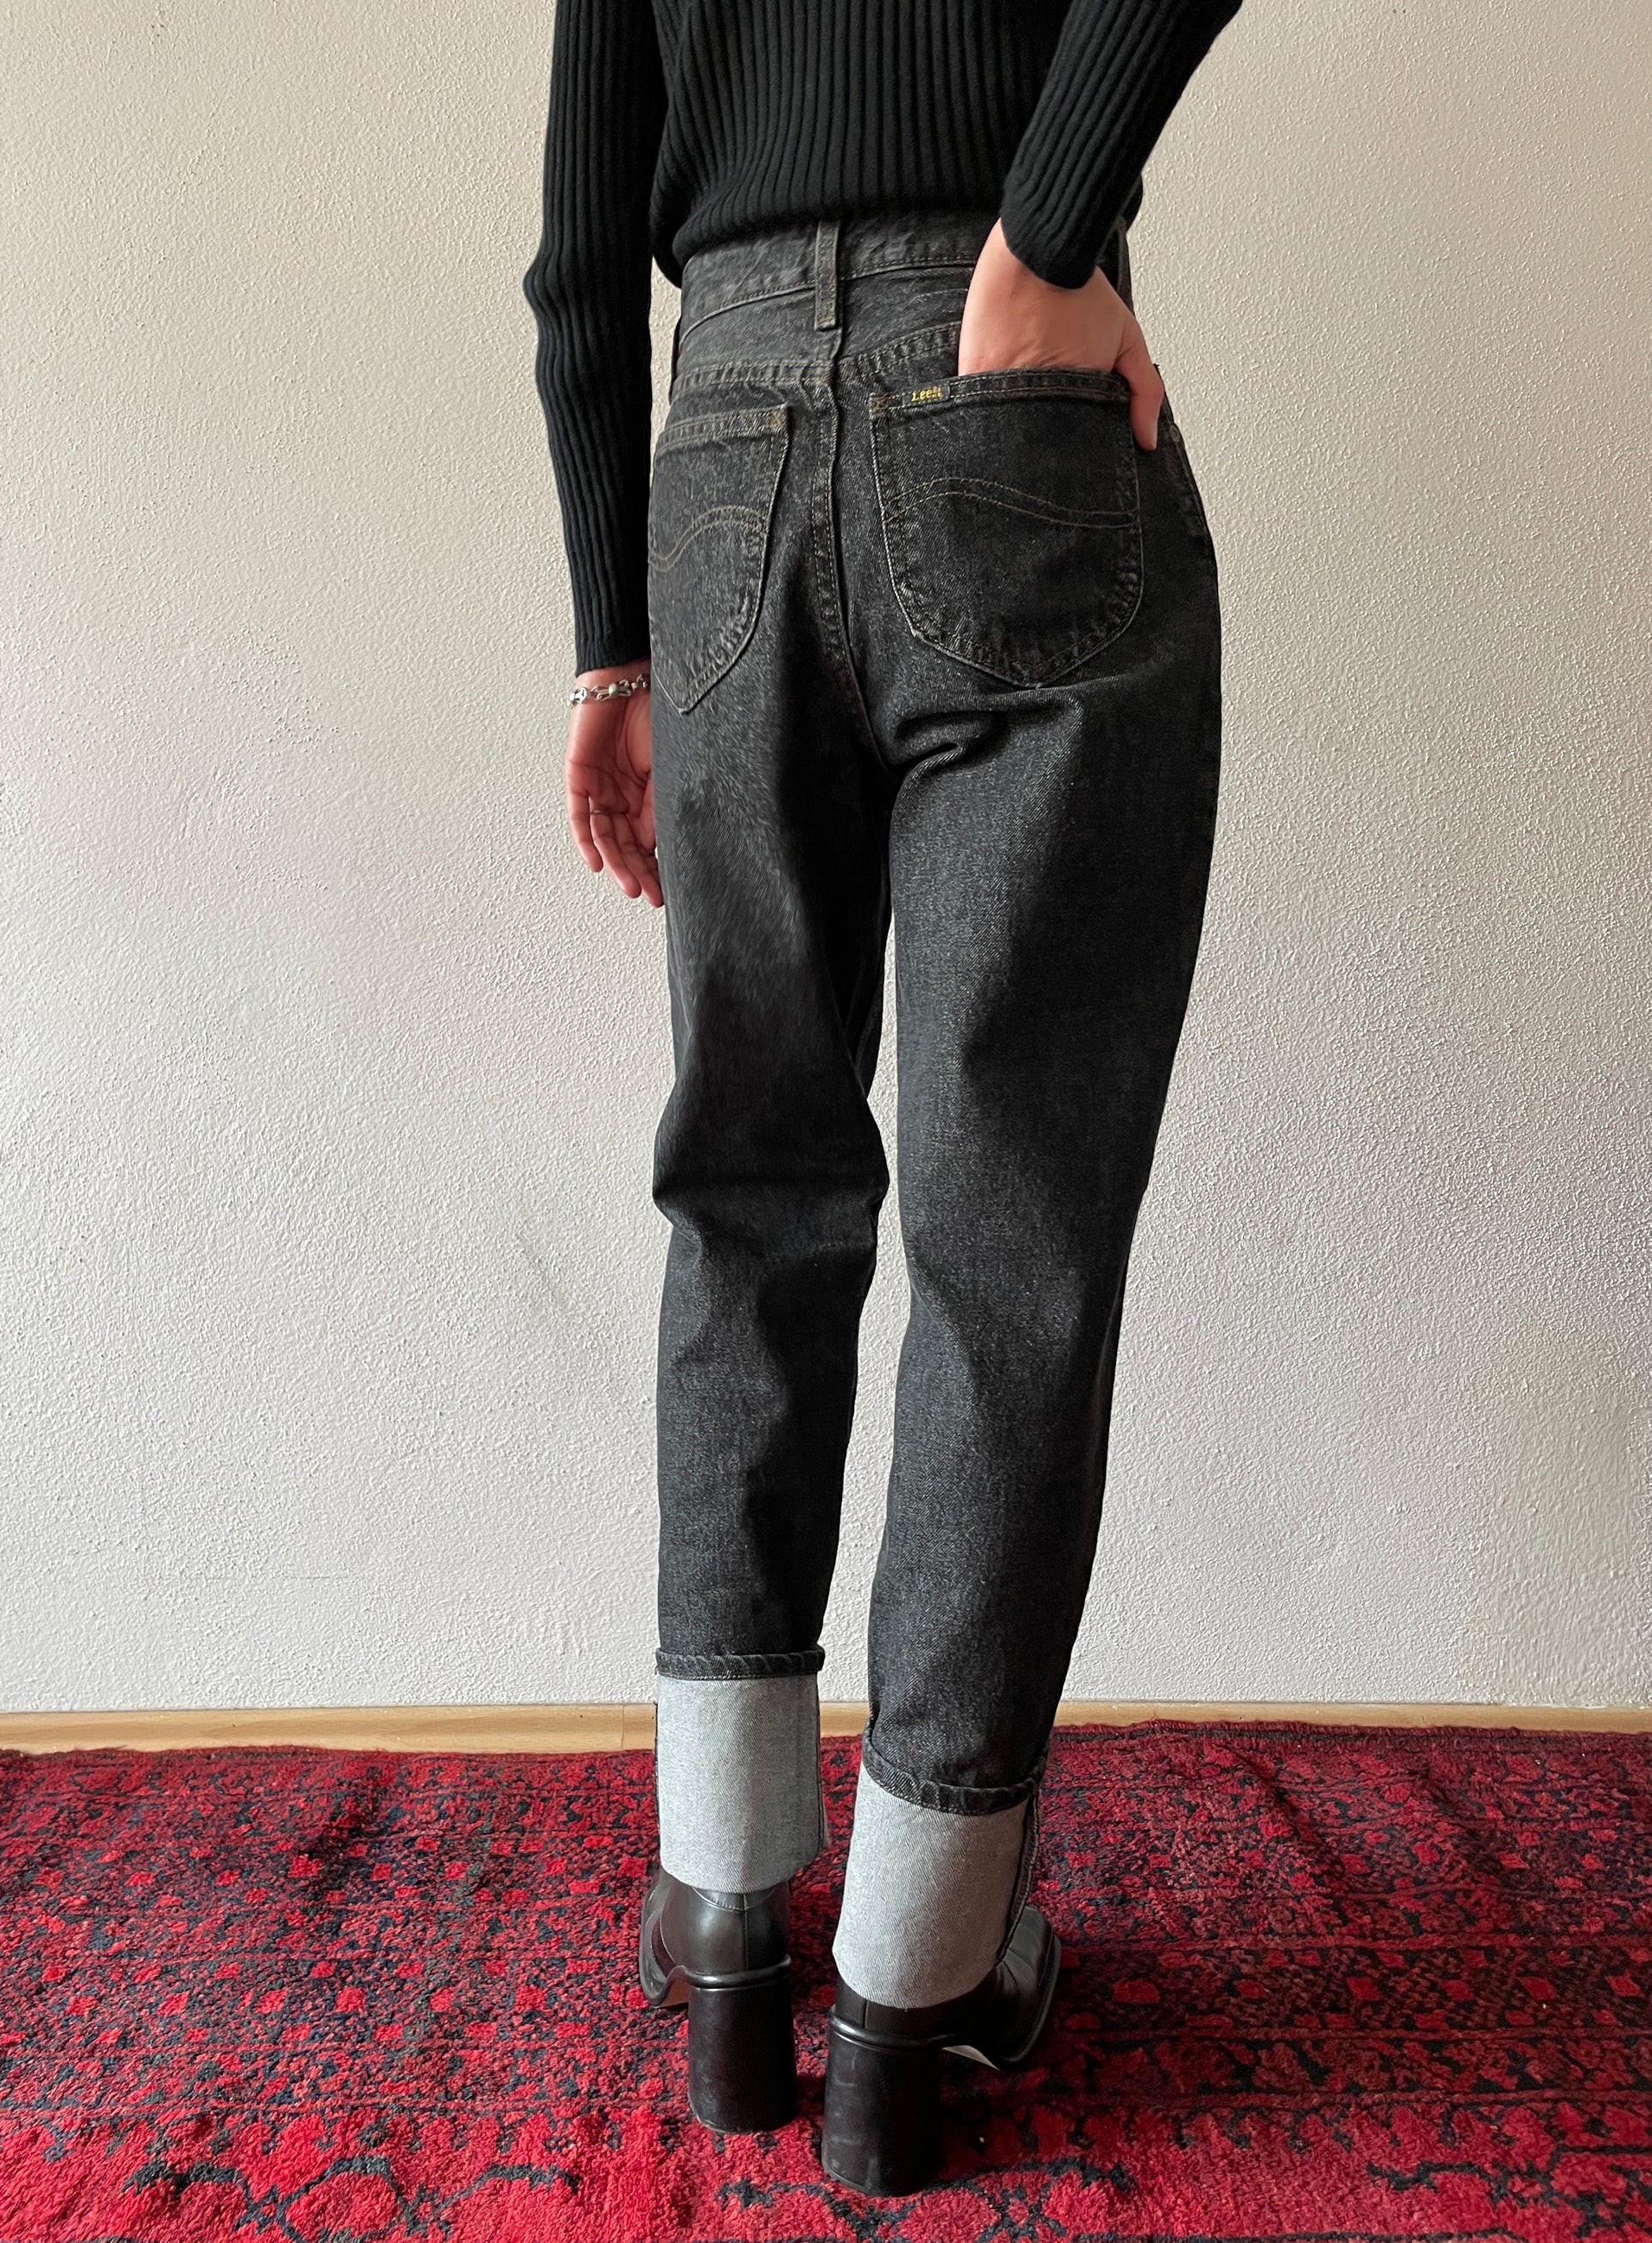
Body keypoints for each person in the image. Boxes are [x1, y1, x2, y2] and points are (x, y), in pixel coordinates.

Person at [524, 0, 1242, 2196]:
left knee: (747, 1180)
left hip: (716, 441)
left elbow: (580, 256)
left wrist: (612, 635)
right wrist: (1045, 230)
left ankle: (728, 1909)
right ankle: (918, 1978)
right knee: (1008, 1237)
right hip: (1002, 394)